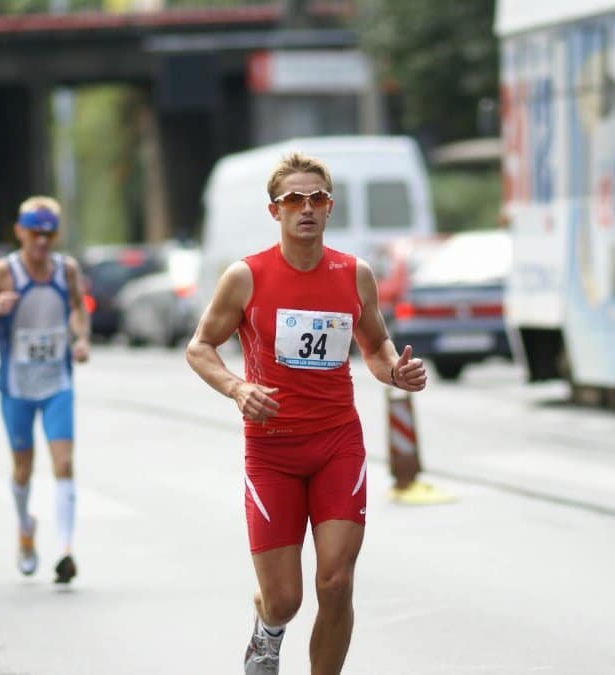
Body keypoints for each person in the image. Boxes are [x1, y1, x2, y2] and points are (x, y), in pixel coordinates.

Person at [185, 153, 428, 674]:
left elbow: (377, 345)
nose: (306, 208)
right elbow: (200, 347)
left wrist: (395, 372)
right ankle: (267, 632)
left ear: (330, 207)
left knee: (336, 582)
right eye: (294, 199)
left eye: (317, 198)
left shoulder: (353, 274)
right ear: (275, 211)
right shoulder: (246, 277)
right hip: (272, 450)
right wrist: (236, 387)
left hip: (337, 442)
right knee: (286, 600)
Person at [0, 196, 90, 584]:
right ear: (20, 232)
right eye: (34, 233)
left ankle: (66, 550)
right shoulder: (2, 273)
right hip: (16, 386)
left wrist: (81, 338)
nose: (41, 242)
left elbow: (78, 309)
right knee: (23, 468)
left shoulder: (66, 270)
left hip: (57, 383)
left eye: (49, 234)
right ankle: (24, 528)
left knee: (64, 463)